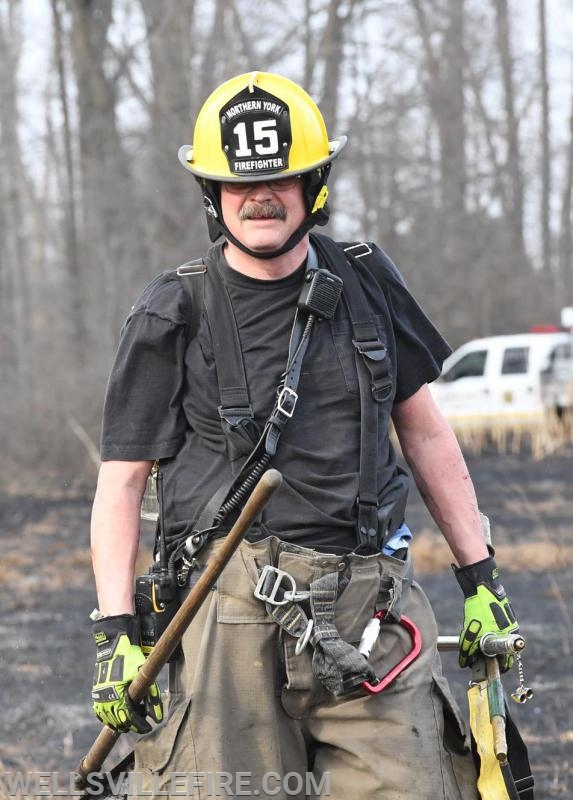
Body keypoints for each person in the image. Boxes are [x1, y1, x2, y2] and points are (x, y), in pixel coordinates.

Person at [90, 71, 519, 799]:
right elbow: (121, 486)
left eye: (281, 178)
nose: (259, 196)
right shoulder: (173, 310)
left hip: (373, 617)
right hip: (222, 621)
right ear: (212, 194)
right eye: (237, 182)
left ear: (313, 184)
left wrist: (480, 580)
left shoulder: (368, 282)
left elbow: (425, 435)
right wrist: (116, 636)